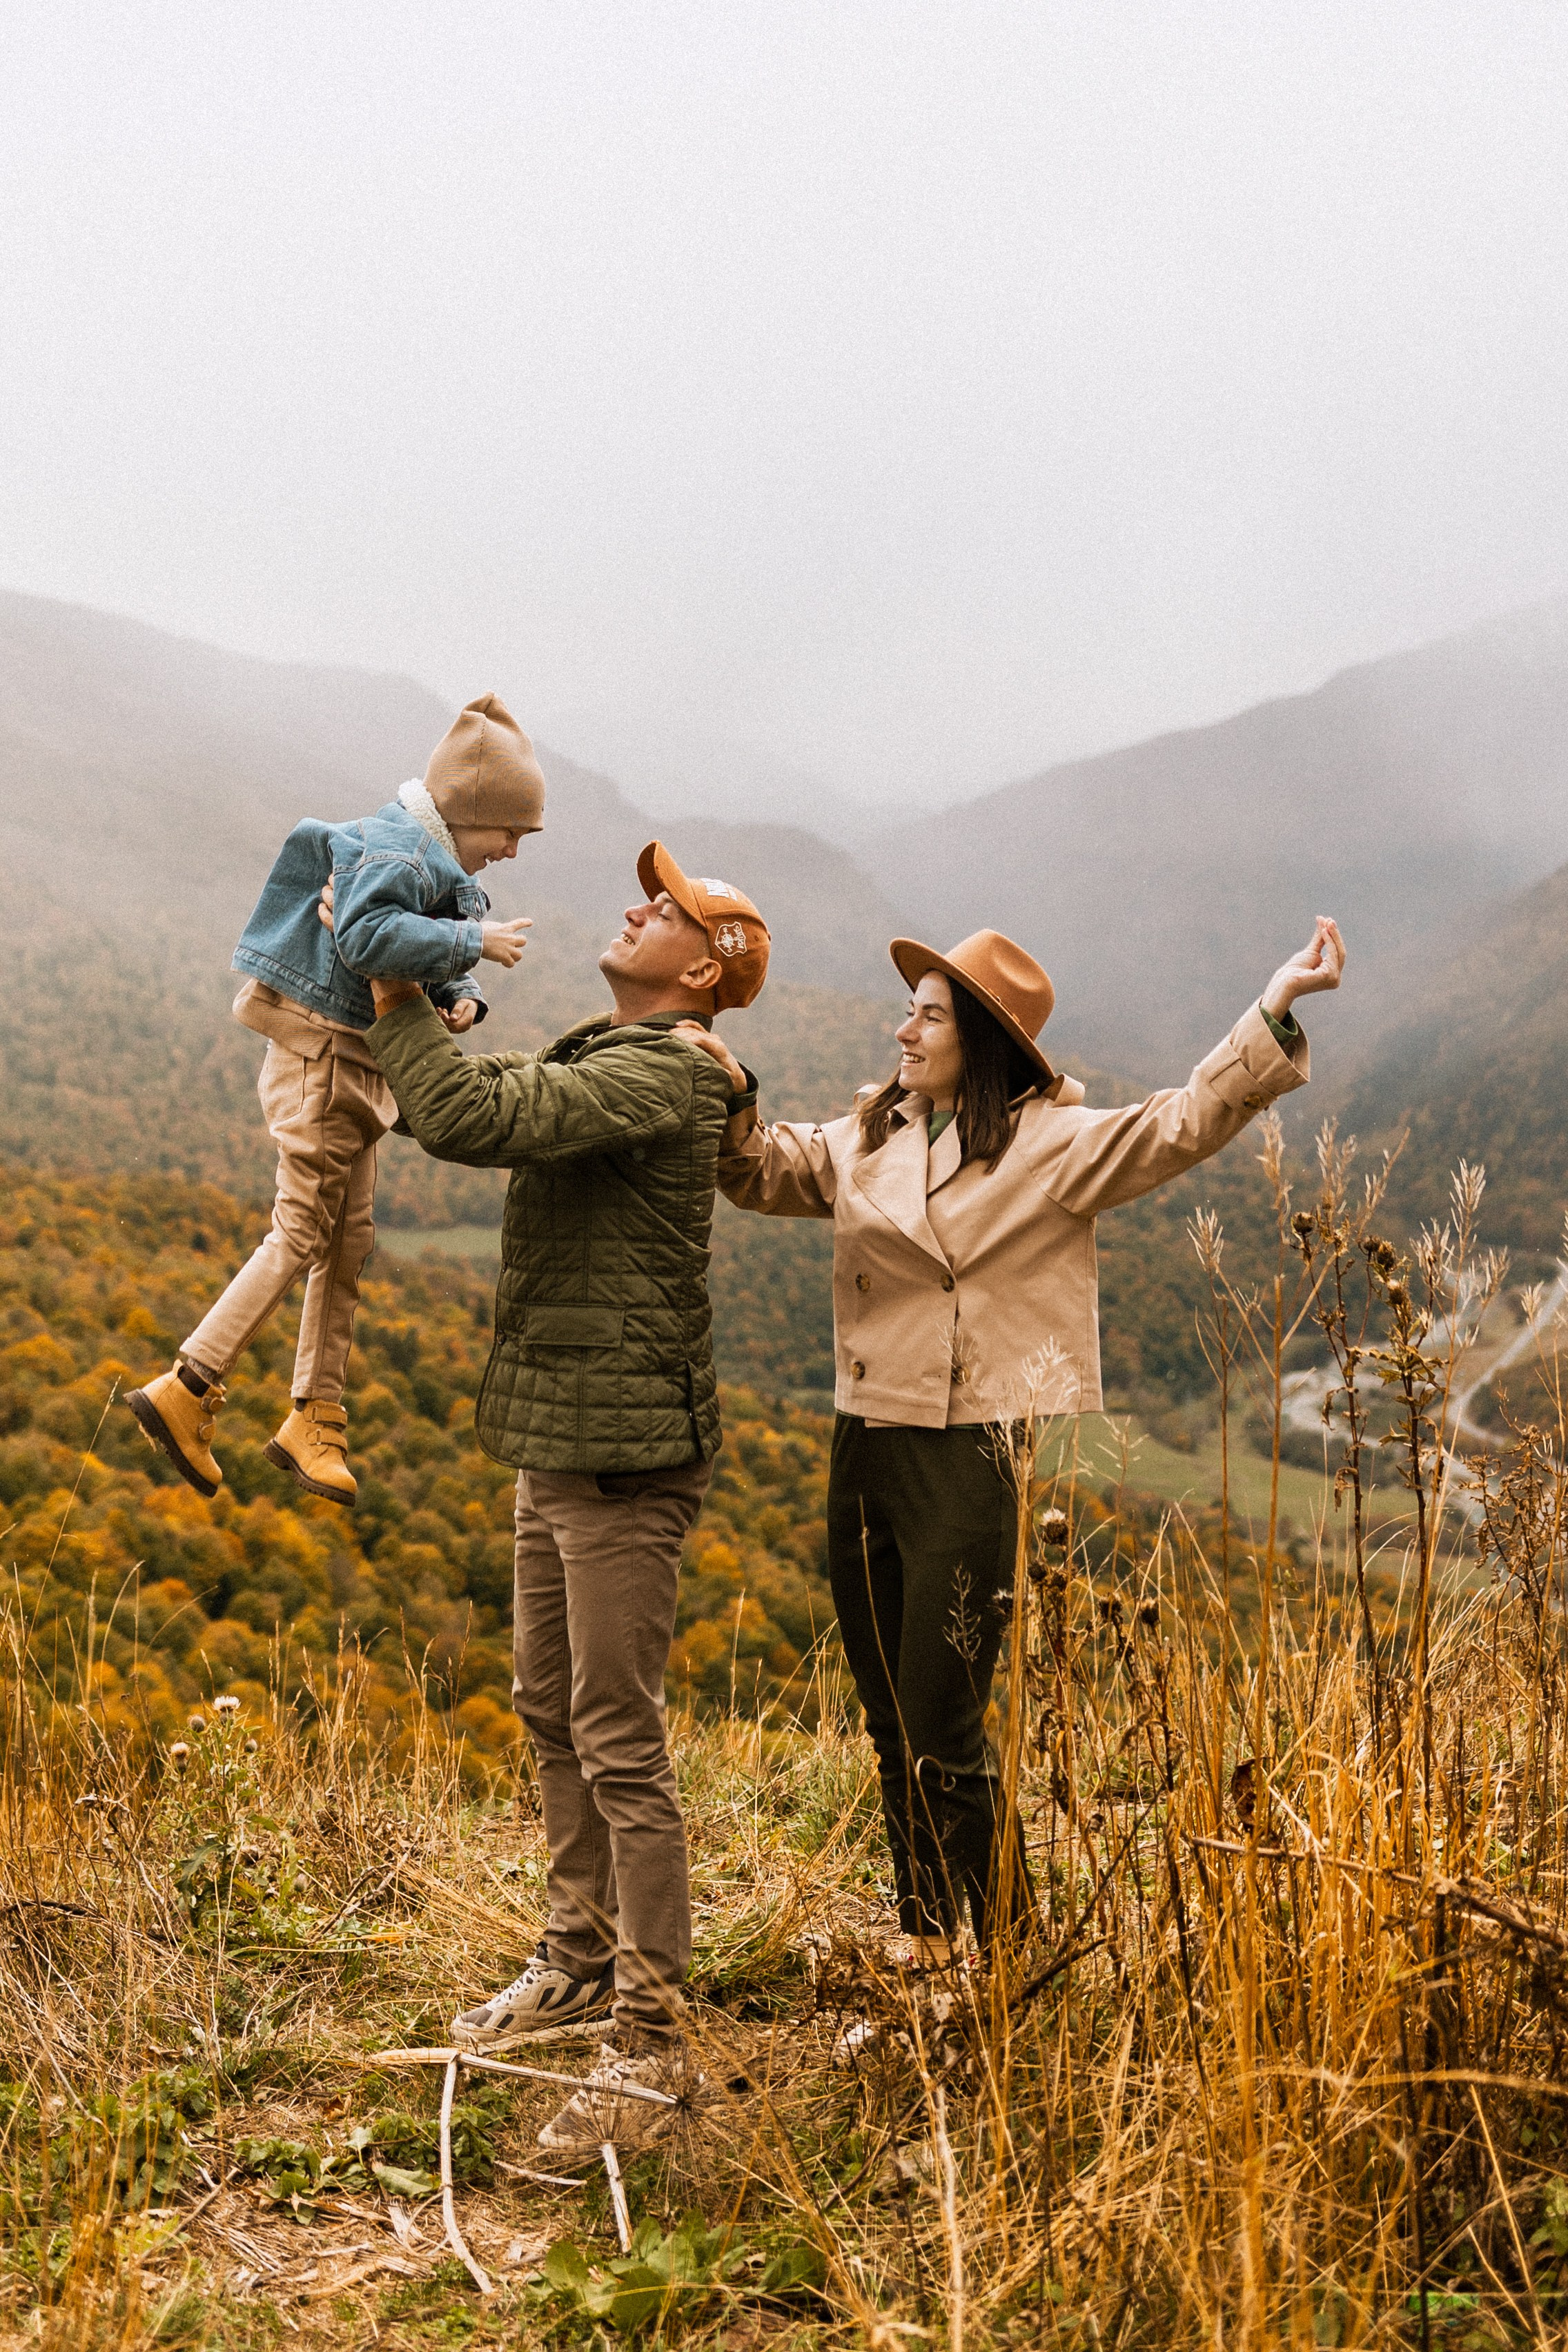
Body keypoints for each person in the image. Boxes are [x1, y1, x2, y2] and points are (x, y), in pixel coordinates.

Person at [687, 916, 1346, 1968]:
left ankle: (1001, 1946)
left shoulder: (1052, 1147)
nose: (904, 1029)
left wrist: (1273, 1008)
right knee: (887, 1708)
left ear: (982, 1040)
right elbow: (761, 1171)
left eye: (930, 1015)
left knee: (944, 1713)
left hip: (970, 1449)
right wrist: (721, 1086)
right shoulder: (872, 1134)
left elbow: (1183, 1122)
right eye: (910, 1010)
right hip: (866, 1440)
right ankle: (926, 1931)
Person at [357, 843, 769, 2159]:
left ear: (701, 970)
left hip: (622, 1450)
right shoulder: (624, 1054)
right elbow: (502, 1092)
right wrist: (443, 1014)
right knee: (551, 1702)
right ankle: (576, 1959)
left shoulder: (662, 1065)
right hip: (563, 1432)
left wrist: (396, 996)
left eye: (669, 908)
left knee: (615, 1729)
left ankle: (652, 2037)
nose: (638, 903)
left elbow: (473, 1121)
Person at [125, 694, 543, 1507]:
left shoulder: (427, 857)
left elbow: (401, 937)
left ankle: (314, 1412)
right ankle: (188, 1385)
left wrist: (459, 995)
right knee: (302, 1230)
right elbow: (364, 936)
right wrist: (473, 944)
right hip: (323, 1060)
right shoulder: (396, 849)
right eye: (510, 833)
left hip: (359, 1066)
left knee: (345, 1244)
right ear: (470, 811)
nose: (514, 851)